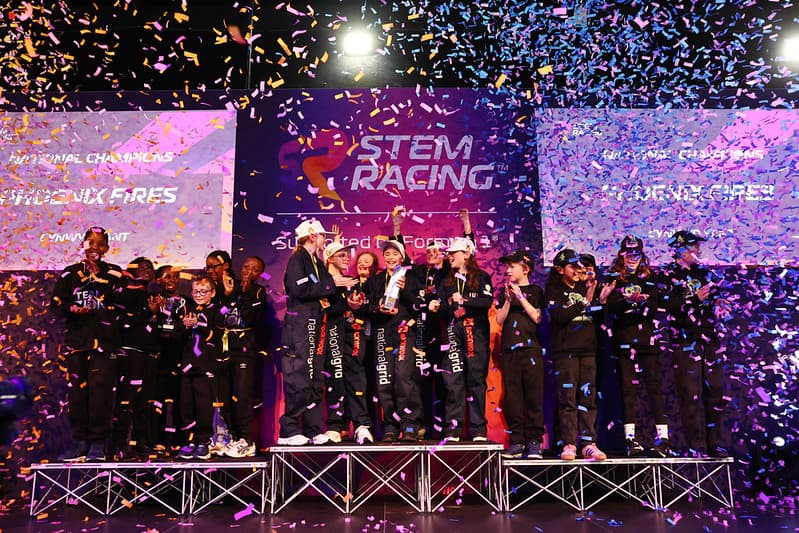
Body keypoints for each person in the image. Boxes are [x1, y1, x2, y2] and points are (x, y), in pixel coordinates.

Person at [391, 207, 475, 438]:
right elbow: (401, 255)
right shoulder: (416, 272)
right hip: (418, 330)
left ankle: (440, 427)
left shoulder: (448, 272)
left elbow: (469, 254)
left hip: (443, 331)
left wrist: (466, 226)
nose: (432, 252)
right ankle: (417, 423)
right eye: (428, 250)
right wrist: (397, 228)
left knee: (443, 378)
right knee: (416, 377)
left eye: (437, 250)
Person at [51, 227, 126, 462]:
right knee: (78, 396)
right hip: (77, 344)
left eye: (100, 243)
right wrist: (71, 308)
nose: (94, 246)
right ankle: (81, 442)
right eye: (90, 242)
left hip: (104, 344)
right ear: (82, 245)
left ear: (106, 248)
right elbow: (57, 303)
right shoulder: (69, 273)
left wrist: (99, 280)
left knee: (100, 395)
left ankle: (98, 443)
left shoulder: (114, 273)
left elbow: (122, 302)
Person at [661, 230, 730, 458]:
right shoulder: (667, 274)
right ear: (679, 249)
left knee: (716, 392)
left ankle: (714, 442)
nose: (698, 251)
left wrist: (719, 303)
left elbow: (714, 297)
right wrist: (693, 299)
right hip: (684, 340)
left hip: (709, 338)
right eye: (693, 247)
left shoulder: (704, 273)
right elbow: (666, 305)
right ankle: (696, 444)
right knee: (691, 394)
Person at [605, 237, 672, 457]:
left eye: (635, 255)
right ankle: (630, 438)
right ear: (621, 255)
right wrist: (630, 301)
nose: (631, 259)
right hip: (625, 341)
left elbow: (653, 306)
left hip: (648, 342)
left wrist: (638, 302)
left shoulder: (651, 277)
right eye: (627, 255)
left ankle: (663, 438)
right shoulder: (614, 277)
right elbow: (611, 305)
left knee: (654, 388)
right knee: (628, 389)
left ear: (641, 255)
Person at [545, 249, 611, 461]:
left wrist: (601, 301)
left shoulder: (586, 286)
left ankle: (588, 443)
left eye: (579, 266)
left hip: (588, 350)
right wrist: (584, 301)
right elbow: (560, 316)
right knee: (568, 400)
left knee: (588, 398)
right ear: (559, 269)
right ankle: (569, 443)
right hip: (566, 352)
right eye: (572, 266)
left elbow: (597, 317)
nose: (578, 270)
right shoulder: (553, 289)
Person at [278, 219, 339, 446]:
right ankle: (289, 429)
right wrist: (329, 286)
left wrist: (329, 286)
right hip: (299, 327)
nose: (324, 239)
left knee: (314, 378)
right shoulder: (298, 258)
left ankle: (313, 429)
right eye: (322, 235)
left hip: (315, 325)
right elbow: (300, 289)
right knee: (299, 377)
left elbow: (328, 285)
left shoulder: (316, 261)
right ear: (313, 236)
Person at [432, 236, 493, 442]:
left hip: (475, 335)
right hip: (452, 334)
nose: (449, 257)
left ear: (466, 253)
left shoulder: (482, 277)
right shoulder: (446, 281)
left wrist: (464, 300)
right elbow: (441, 306)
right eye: (448, 254)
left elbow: (486, 302)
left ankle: (478, 429)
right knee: (452, 381)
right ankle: (453, 428)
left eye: (453, 253)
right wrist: (438, 306)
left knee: (476, 381)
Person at [366, 239, 424, 442]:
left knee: (403, 377)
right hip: (382, 332)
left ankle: (409, 424)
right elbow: (367, 307)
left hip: (403, 332)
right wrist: (377, 308)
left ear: (402, 256)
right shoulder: (375, 280)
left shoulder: (412, 277)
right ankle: (390, 425)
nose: (390, 257)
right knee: (384, 380)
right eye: (387, 254)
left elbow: (419, 305)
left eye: (394, 254)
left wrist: (406, 289)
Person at [321, 237, 374, 444]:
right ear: (329, 258)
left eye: (346, 255)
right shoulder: (324, 284)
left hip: (354, 338)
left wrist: (357, 305)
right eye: (341, 255)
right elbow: (328, 311)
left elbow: (361, 308)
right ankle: (335, 426)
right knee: (335, 380)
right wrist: (346, 305)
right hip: (332, 337)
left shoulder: (352, 281)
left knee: (357, 380)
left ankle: (361, 426)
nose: (346, 258)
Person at [216, 256, 267, 458]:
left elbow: (253, 318)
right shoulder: (229, 286)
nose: (248, 271)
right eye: (246, 267)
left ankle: (247, 439)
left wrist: (245, 295)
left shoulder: (258, 292)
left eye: (254, 269)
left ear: (260, 273)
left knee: (242, 395)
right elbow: (220, 314)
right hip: (225, 347)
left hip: (245, 349)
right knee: (225, 395)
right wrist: (229, 295)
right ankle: (234, 438)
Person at [495, 251, 545, 459]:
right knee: (513, 398)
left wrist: (520, 297)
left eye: (512, 266)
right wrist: (508, 300)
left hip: (531, 349)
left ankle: (534, 442)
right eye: (507, 266)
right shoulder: (503, 291)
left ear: (525, 269)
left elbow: (537, 317)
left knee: (533, 397)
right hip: (510, 350)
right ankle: (516, 441)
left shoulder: (536, 291)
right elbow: (499, 319)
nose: (507, 270)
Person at [112, 257, 160, 460]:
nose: (147, 269)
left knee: (144, 401)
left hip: (147, 357)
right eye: (142, 267)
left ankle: (143, 444)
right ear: (130, 271)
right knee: (126, 401)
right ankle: (118, 445)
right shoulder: (122, 294)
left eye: (150, 267)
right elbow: (122, 322)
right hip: (129, 354)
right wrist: (147, 312)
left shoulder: (152, 297)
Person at [176, 274, 223, 460]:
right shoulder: (187, 310)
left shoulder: (218, 310)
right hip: (187, 366)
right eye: (195, 291)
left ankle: (203, 441)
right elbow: (177, 338)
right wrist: (184, 326)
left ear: (212, 292)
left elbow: (216, 334)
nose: (199, 294)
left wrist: (199, 325)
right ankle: (189, 441)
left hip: (206, 367)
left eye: (203, 291)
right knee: (185, 405)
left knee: (203, 406)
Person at [151, 265, 188, 455]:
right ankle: (158, 440)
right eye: (167, 277)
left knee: (180, 402)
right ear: (158, 280)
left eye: (175, 277)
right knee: (158, 402)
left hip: (180, 357)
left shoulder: (186, 302)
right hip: (158, 358)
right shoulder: (152, 301)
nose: (172, 280)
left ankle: (180, 441)